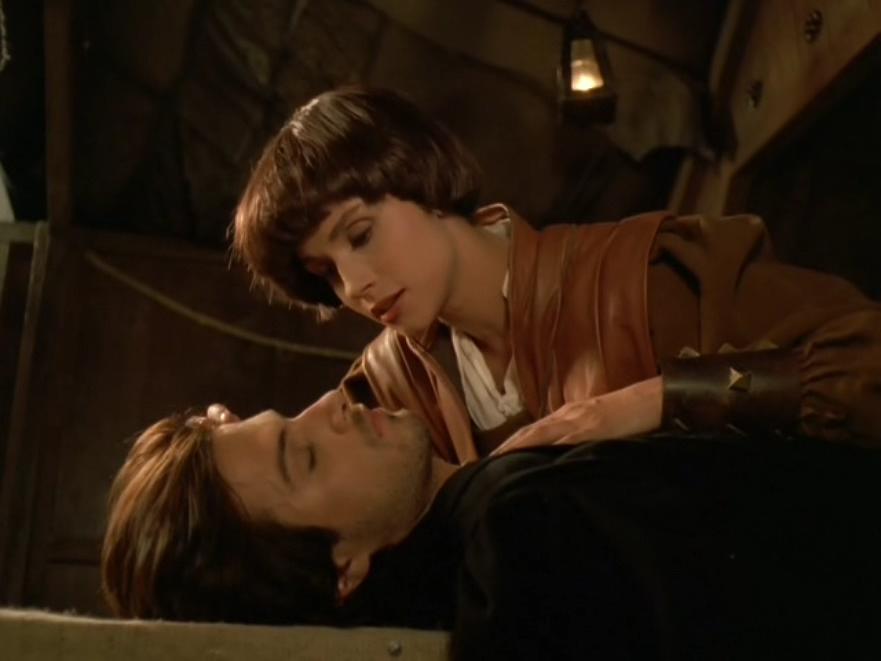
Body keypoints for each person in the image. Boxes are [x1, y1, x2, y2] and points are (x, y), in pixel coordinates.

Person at [231, 86, 881, 462]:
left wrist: (655, 399)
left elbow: (864, 362)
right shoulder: (385, 392)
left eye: (360, 235)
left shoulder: (644, 273)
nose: (355, 287)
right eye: (326, 273)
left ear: (419, 177)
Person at [102, 394, 881, 659]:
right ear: (341, 570)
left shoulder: (491, 532)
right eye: (302, 456)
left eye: (290, 414)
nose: (330, 404)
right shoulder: (519, 538)